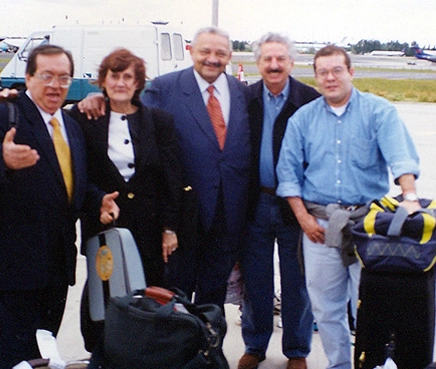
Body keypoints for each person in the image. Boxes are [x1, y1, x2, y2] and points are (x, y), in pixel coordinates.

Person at [0, 44, 119, 369]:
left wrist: (96, 200)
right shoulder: (5, 113)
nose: (55, 85)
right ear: (29, 77)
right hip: (15, 265)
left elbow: (70, 185)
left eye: (64, 78)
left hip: (57, 266)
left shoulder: (71, 125)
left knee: (43, 352)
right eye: (46, 76)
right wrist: (2, 158)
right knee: (13, 358)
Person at [79, 26, 251, 309]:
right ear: (191, 51)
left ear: (229, 56)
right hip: (184, 213)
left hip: (227, 209)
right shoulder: (165, 87)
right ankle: (178, 349)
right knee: (173, 292)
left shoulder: (241, 91)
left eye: (220, 53)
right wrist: (99, 99)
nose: (212, 58)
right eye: (205, 51)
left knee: (214, 293)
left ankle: (210, 349)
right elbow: (132, 116)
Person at [276, 45, 420, 369]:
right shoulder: (303, 120)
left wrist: (409, 196)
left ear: (351, 72)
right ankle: (339, 364)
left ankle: (374, 364)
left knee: (372, 305)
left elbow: (401, 157)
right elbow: (288, 174)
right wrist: (303, 218)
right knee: (326, 309)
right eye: (323, 72)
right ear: (316, 77)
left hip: (368, 227)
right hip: (320, 227)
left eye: (337, 70)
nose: (330, 78)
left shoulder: (379, 112)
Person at [239, 32, 320, 369]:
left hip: (296, 207)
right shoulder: (244, 98)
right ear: (258, 63)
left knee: (297, 282)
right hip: (254, 203)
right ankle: (255, 346)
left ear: (291, 62)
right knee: (255, 281)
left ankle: (297, 350)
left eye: (280, 59)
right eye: (267, 59)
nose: (273, 65)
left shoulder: (310, 100)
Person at [70, 48, 182, 287]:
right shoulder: (84, 118)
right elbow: (79, 173)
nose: (120, 83)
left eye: (127, 77)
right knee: (105, 300)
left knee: (149, 300)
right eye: (114, 76)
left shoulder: (160, 121)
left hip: (149, 229)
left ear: (138, 83)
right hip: (104, 224)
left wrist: (169, 228)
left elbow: (171, 179)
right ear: (103, 80)